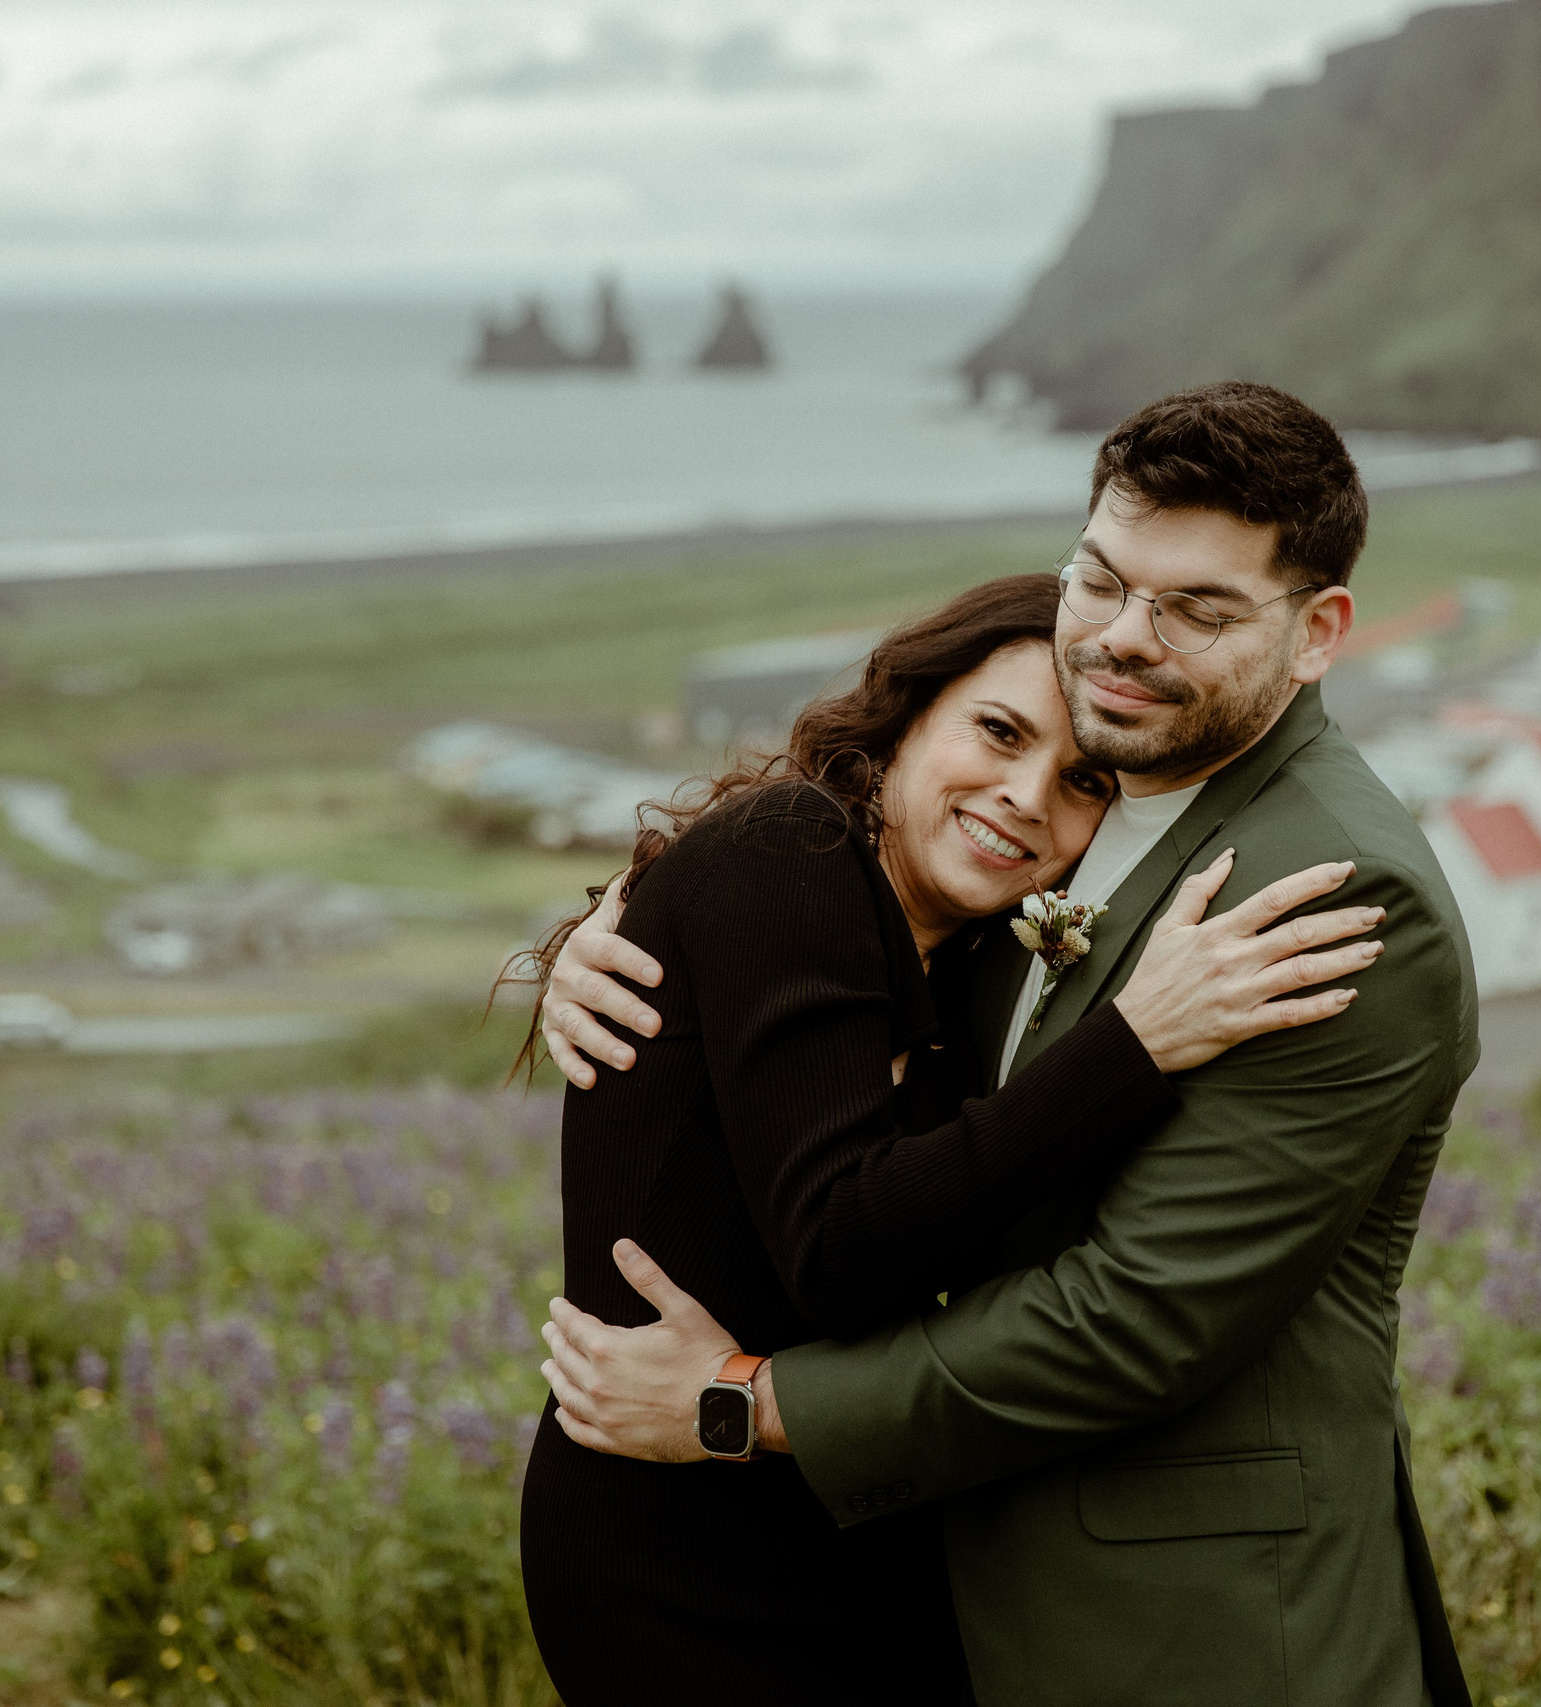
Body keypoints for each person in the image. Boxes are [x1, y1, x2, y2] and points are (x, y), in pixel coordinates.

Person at [540, 381, 1481, 1707]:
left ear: (1320, 631)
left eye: (1199, 611)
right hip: (863, 1574)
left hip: (1182, 1624)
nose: (1125, 639)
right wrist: (607, 927)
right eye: (1101, 579)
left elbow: (1133, 1319)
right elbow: (838, 1008)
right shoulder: (1068, 841)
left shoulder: (1323, 893)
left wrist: (742, 1404)